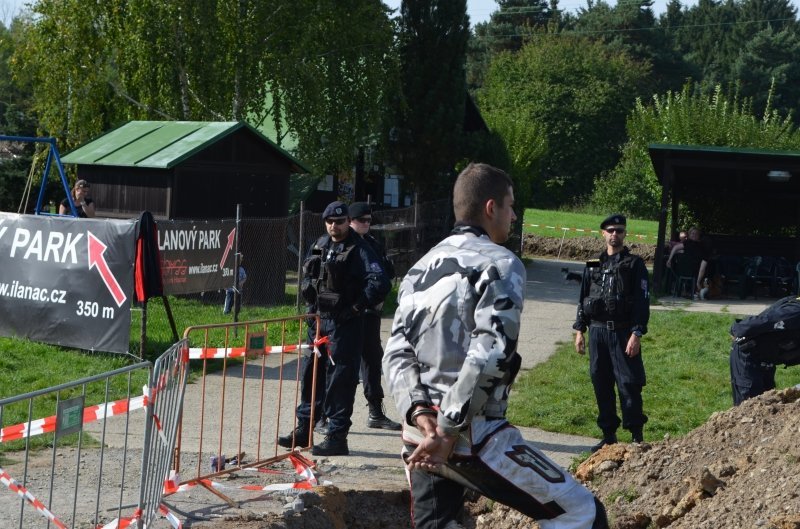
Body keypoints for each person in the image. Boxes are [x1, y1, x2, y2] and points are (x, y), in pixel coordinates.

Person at [384, 163, 609, 529]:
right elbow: (490, 352)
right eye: (510, 205)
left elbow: (396, 351)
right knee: (583, 513)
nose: (514, 215)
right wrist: (446, 429)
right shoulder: (501, 264)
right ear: (491, 208)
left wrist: (419, 415)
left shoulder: (417, 269)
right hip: (471, 435)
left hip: (418, 437)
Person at [278, 200, 391, 456]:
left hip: (345, 324)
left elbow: (380, 282)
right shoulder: (320, 244)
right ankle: (304, 428)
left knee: (341, 379)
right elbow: (309, 278)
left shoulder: (360, 248)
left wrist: (356, 308)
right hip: (318, 321)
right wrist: (310, 308)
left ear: (346, 222)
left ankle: (337, 437)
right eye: (330, 221)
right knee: (311, 374)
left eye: (339, 222)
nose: (334, 226)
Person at [573, 214, 650, 453]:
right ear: (603, 234)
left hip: (623, 332)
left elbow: (642, 301)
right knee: (601, 382)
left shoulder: (634, 264)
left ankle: (637, 435)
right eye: (610, 230)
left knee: (629, 383)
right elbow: (583, 295)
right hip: (596, 332)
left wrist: (636, 333)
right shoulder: (593, 263)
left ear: (625, 234)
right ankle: (608, 436)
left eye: (619, 230)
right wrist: (579, 329)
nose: (614, 234)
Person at [348, 201, 401, 431]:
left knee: (372, 359)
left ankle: (375, 411)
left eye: (370, 220)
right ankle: (325, 416)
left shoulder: (372, 244)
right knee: (341, 365)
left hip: (369, 312)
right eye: (362, 220)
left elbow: (386, 274)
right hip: (347, 314)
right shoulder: (340, 244)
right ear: (350, 221)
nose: (367, 224)